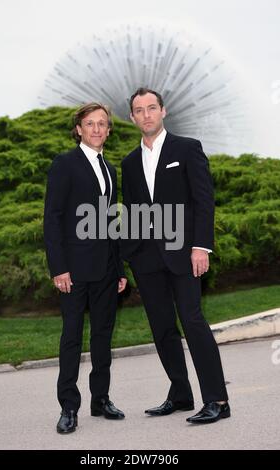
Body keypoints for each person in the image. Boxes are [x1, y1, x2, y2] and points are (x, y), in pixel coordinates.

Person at [121, 88, 230, 424]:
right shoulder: (129, 162)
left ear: (163, 111)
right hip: (147, 260)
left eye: (152, 108)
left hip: (184, 254)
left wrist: (201, 246)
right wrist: (127, 257)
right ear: (132, 118)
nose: (146, 115)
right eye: (139, 110)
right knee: (162, 328)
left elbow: (203, 200)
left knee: (193, 322)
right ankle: (180, 394)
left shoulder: (187, 148)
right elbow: (134, 211)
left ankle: (217, 400)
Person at [44, 103, 127, 434]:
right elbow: (53, 219)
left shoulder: (110, 170)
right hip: (74, 272)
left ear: (108, 130)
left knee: (103, 337)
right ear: (78, 128)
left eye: (102, 124)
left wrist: (119, 268)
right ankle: (68, 406)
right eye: (89, 123)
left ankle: (100, 398)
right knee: (72, 339)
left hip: (106, 270)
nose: (96, 129)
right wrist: (59, 268)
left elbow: (112, 222)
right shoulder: (65, 164)